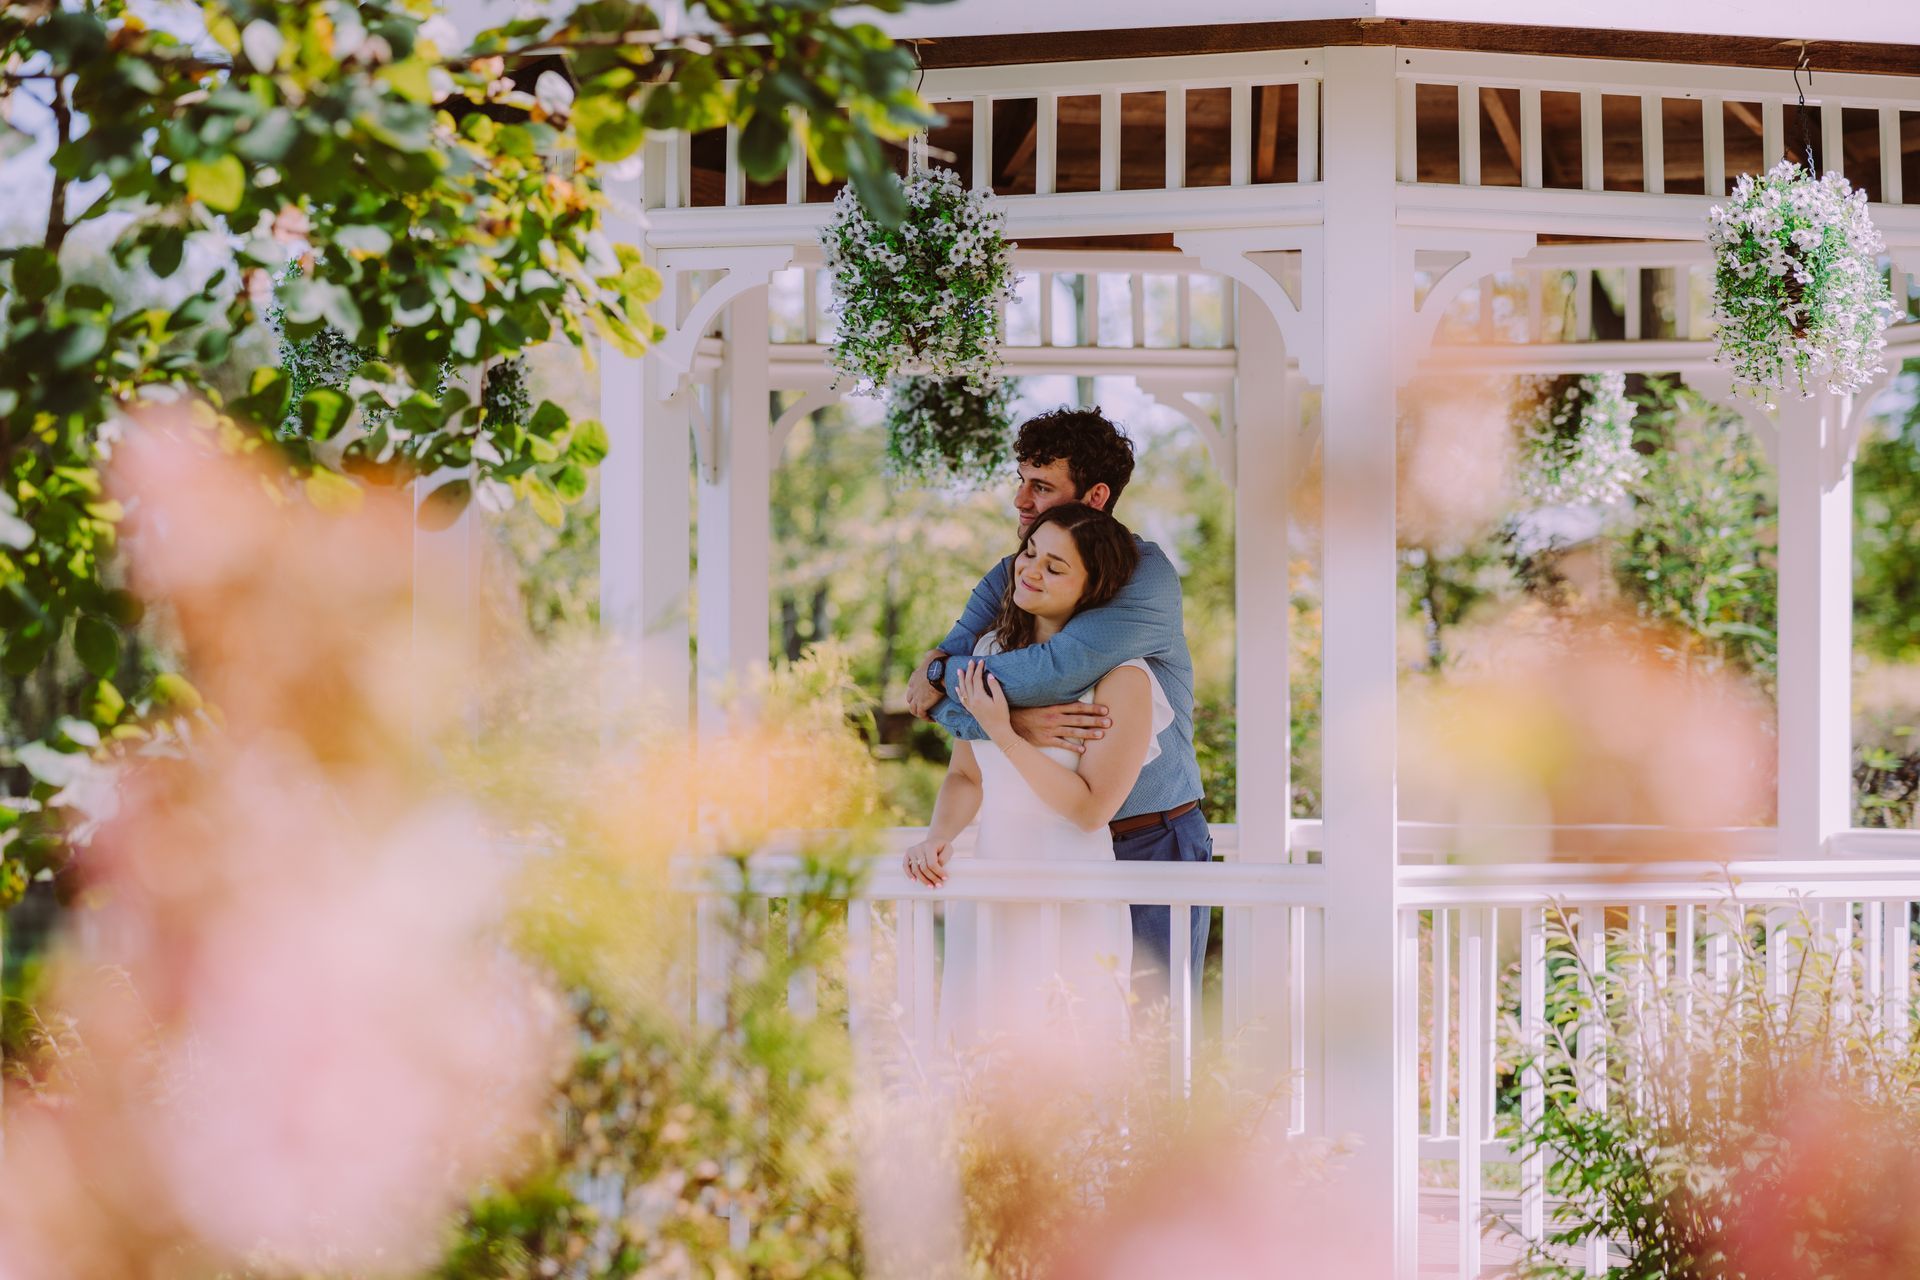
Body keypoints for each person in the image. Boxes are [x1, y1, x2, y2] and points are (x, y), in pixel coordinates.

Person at [902, 407, 1211, 1016]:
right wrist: (991, 712)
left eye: (1040, 486)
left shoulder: (1145, 579)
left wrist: (965, 691)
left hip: (1150, 836)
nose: (1020, 500)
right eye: (1020, 479)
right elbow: (942, 684)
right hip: (1046, 852)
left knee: (1153, 1033)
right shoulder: (1011, 572)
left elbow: (1052, 673)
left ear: (1094, 496)